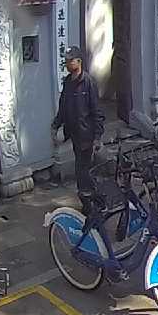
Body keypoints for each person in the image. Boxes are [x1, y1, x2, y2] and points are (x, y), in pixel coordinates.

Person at [52, 46, 105, 201]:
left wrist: (97, 137)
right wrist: (56, 125)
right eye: (66, 61)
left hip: (87, 134)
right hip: (75, 134)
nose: (67, 64)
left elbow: (96, 111)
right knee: (80, 169)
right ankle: (86, 199)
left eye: (70, 61)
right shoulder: (68, 82)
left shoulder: (88, 83)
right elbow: (63, 107)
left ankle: (94, 200)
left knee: (85, 170)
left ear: (79, 62)